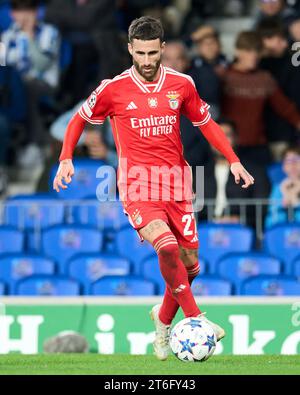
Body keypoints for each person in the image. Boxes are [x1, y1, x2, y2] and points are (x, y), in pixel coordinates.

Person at [53, 16, 254, 361]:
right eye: (140, 53)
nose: (146, 61)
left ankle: (162, 321)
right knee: (166, 245)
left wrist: (233, 159)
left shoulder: (182, 84)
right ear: (130, 49)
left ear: (162, 49)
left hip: (177, 183)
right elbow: (78, 120)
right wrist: (66, 157)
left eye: (152, 53)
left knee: (191, 266)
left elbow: (207, 124)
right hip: (136, 184)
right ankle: (196, 318)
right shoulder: (113, 89)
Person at [220, 31, 300, 166]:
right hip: (231, 145)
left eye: (257, 51)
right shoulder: (224, 77)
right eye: (249, 51)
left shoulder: (264, 78)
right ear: (238, 51)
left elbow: (284, 107)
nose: (254, 56)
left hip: (258, 145)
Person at [1, 0, 60, 167]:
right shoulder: (6, 36)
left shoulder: (50, 32)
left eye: (28, 10)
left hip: (44, 85)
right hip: (13, 87)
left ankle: (34, 142)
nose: (23, 15)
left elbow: (42, 64)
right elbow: (1, 65)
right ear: (12, 14)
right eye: (19, 11)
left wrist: (29, 35)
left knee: (28, 87)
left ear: (36, 12)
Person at [200, 119, 270, 228]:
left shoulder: (254, 171)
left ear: (236, 139)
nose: (219, 141)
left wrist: (240, 219)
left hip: (241, 231)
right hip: (206, 230)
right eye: (215, 135)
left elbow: (261, 208)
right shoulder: (200, 173)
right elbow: (194, 210)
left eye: (226, 135)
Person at [258, 19, 300, 160]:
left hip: (286, 133)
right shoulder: (253, 67)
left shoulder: (291, 62)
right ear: (265, 40)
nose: (285, 43)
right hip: (260, 136)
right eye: (279, 39)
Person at [265, 146, 300, 228]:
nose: (292, 165)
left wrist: (296, 201)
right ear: (283, 166)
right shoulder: (278, 188)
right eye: (288, 161)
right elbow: (271, 222)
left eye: (296, 160)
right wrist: (285, 197)